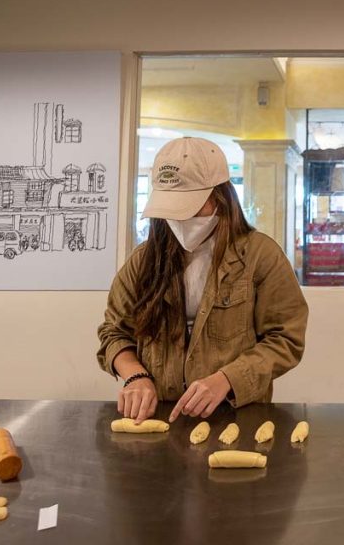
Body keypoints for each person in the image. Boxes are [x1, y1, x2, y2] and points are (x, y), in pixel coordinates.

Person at [97, 137, 308, 422]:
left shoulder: (260, 256)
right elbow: (114, 331)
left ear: (219, 197)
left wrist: (227, 379)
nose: (181, 220)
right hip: (158, 415)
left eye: (191, 207)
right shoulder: (143, 260)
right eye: (172, 209)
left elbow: (286, 338)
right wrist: (135, 376)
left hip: (236, 414)